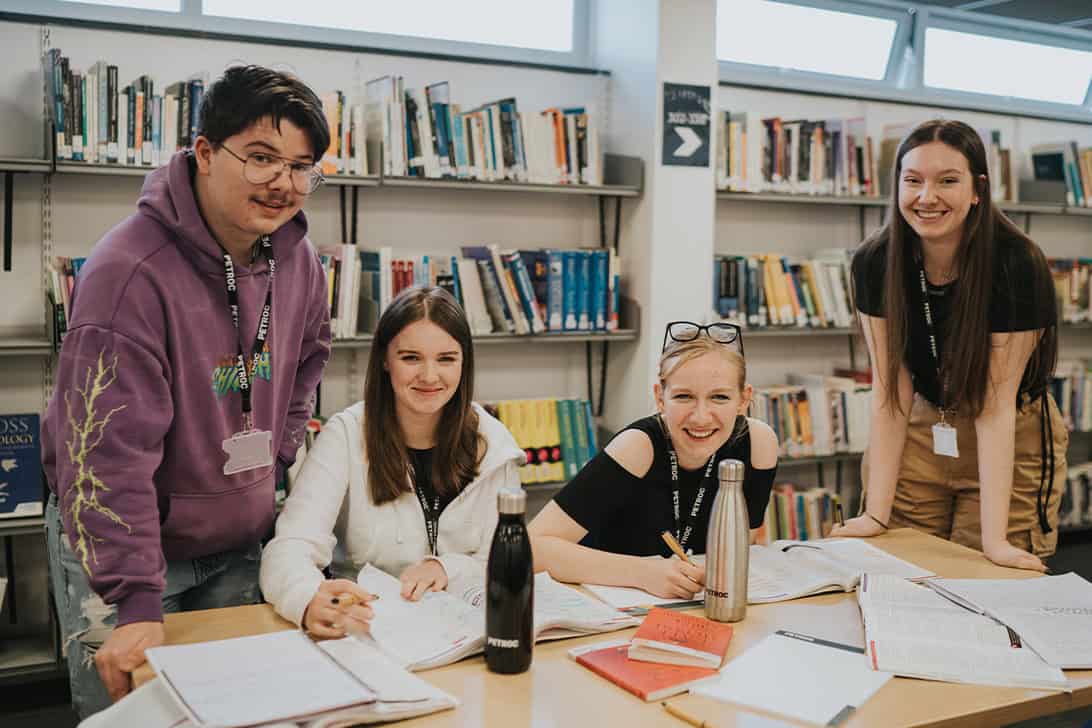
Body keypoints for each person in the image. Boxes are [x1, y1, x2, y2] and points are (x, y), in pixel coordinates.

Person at [41, 65, 333, 717]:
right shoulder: (130, 274)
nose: (282, 183)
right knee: (135, 716)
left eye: (301, 165)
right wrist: (136, 598)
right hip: (129, 556)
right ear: (204, 153)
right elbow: (101, 458)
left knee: (237, 712)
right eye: (261, 157)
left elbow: (309, 360)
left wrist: (276, 460)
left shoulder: (299, 260)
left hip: (236, 540)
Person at [833, 119, 1066, 572]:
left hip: (1009, 428)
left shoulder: (1016, 263)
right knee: (898, 568)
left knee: (986, 580)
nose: (926, 197)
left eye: (947, 181)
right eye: (913, 180)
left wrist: (995, 542)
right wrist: (875, 515)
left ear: (977, 189)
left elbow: (994, 408)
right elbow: (889, 391)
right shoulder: (875, 262)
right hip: (921, 424)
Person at [260, 286, 525, 636]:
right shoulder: (346, 435)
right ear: (385, 360)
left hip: (462, 630)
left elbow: (504, 559)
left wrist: (448, 569)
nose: (430, 376)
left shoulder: (494, 443)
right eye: (411, 358)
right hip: (367, 627)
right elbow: (290, 547)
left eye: (446, 359)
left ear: (465, 363)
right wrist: (308, 599)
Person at [528, 322, 778, 598]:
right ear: (660, 398)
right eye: (684, 396)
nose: (701, 417)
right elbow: (531, 549)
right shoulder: (638, 446)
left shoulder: (759, 444)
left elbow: (741, 548)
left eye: (719, 397)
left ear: (744, 399)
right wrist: (644, 573)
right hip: (607, 606)